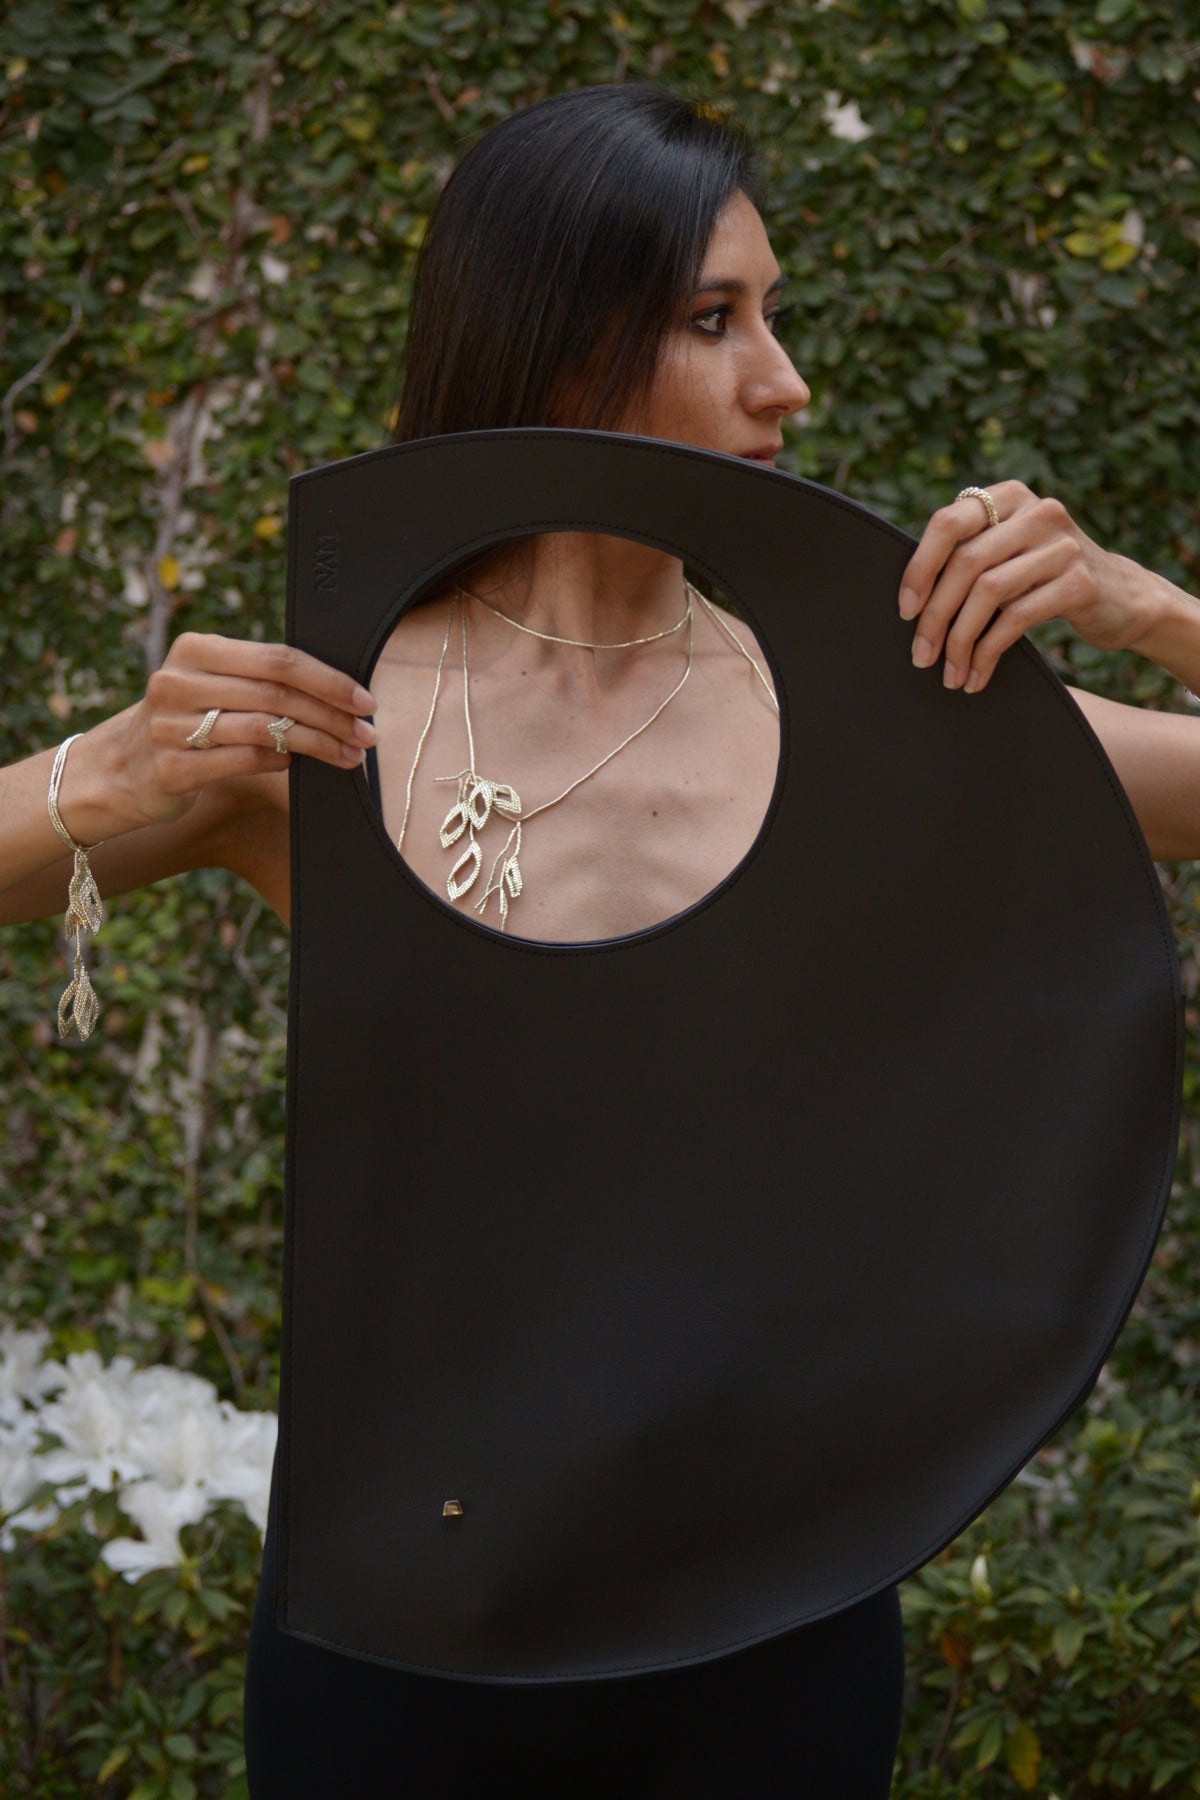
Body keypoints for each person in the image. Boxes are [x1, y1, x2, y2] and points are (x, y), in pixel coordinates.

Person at [2, 80, 1198, 1798]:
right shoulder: (325, 724)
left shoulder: (887, 717)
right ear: (558, 346)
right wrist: (100, 771)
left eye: (772, 313)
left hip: (776, 1635)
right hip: (395, 1645)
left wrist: (1153, 612)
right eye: (716, 321)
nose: (786, 379)